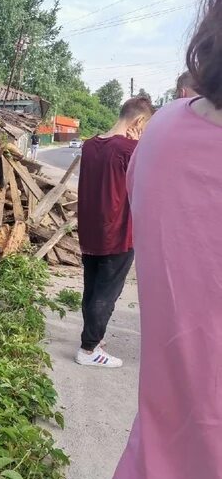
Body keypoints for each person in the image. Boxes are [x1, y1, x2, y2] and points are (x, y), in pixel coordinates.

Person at [104, 0, 222, 479]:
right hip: (108, 237)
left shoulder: (161, 136)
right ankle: (88, 345)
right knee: (100, 297)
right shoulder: (135, 144)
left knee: (100, 296)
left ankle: (90, 341)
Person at [76, 96, 154, 368]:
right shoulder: (129, 148)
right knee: (106, 294)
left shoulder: (89, 145)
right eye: (146, 127)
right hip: (118, 232)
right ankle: (88, 350)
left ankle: (92, 340)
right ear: (139, 121)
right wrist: (140, 143)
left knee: (92, 288)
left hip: (90, 230)